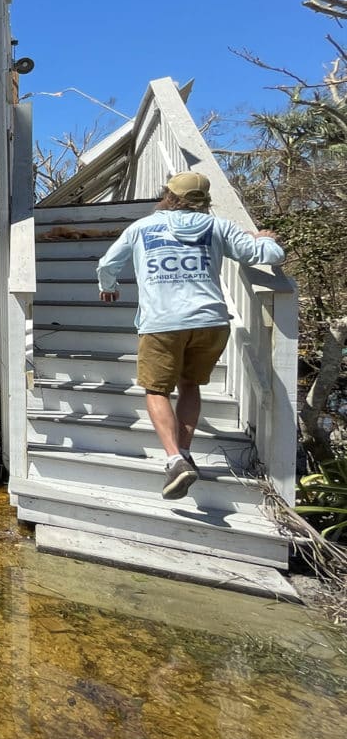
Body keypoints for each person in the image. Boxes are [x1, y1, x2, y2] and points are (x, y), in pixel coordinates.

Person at [95, 172, 284, 501]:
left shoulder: (141, 228)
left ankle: (174, 459)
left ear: (167, 194)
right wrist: (266, 239)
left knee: (156, 390)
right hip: (211, 321)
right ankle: (182, 453)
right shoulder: (217, 227)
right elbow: (264, 254)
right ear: (204, 201)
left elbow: (108, 263)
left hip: (162, 323)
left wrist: (108, 286)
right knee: (189, 385)